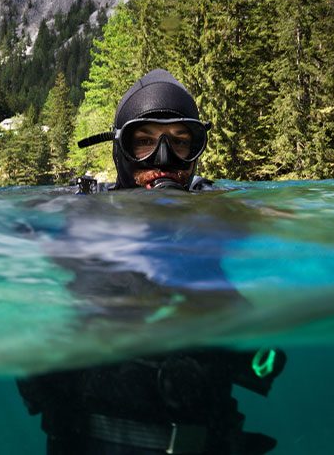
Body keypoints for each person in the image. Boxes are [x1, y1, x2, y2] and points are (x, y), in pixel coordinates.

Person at [17, 69, 285, 454]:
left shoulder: (217, 213)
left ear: (197, 149)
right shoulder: (78, 212)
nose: (164, 160)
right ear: (118, 148)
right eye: (143, 142)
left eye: (181, 143)